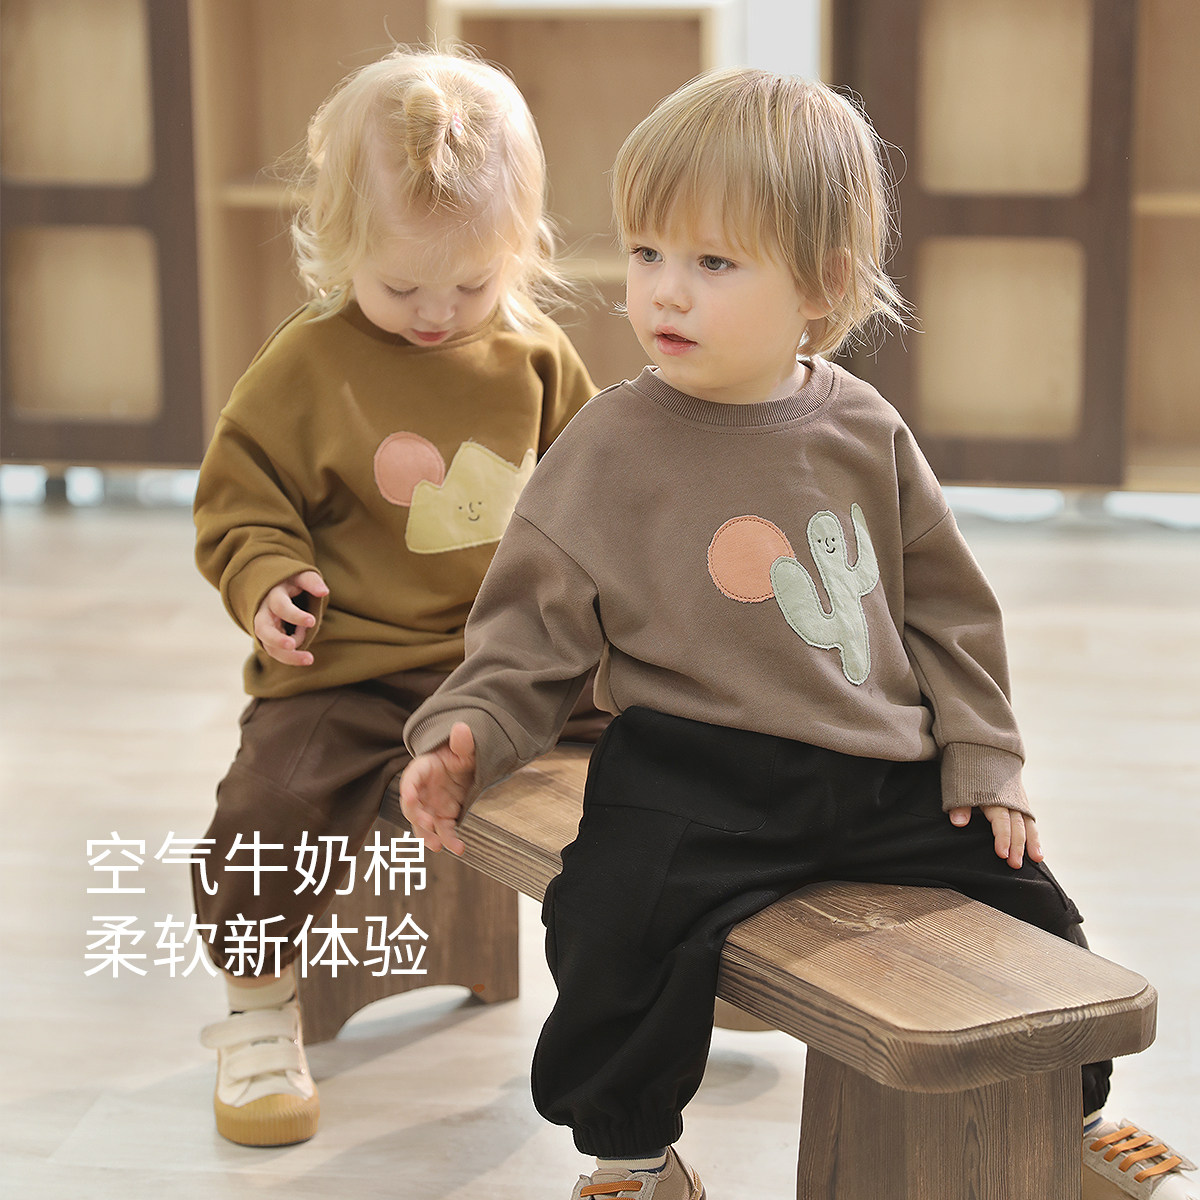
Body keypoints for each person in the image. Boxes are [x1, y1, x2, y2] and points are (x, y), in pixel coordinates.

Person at [397, 67, 1198, 1200]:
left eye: (714, 263)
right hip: (694, 774)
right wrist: (473, 730)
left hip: (879, 770)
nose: (666, 291)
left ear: (820, 283)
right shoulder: (610, 447)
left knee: (1036, 913)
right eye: (647, 253)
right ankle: (632, 1155)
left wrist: (985, 756)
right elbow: (528, 629)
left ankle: (1069, 1123)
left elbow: (947, 612)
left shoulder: (864, 428)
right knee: (609, 918)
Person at [191, 44, 606, 1149]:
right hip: (356, 667)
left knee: (677, 747)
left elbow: (598, 493)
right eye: (400, 286)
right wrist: (268, 580)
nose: (436, 313)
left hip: (513, 664)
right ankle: (256, 1007)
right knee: (266, 804)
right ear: (340, 247)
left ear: (518, 247)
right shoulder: (305, 367)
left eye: (469, 285)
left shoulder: (537, 357)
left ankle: (700, 948)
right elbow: (240, 499)